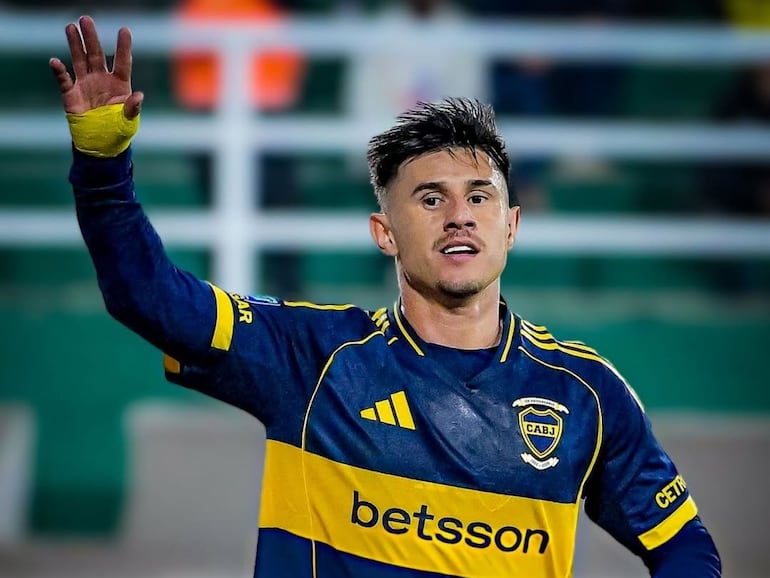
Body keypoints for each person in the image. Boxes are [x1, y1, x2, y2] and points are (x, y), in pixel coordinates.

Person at [49, 16, 721, 578]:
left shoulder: (586, 394)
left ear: (511, 226)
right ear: (385, 232)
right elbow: (147, 296)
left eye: (479, 198)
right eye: (430, 199)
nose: (459, 217)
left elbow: (685, 547)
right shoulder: (310, 357)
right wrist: (104, 168)